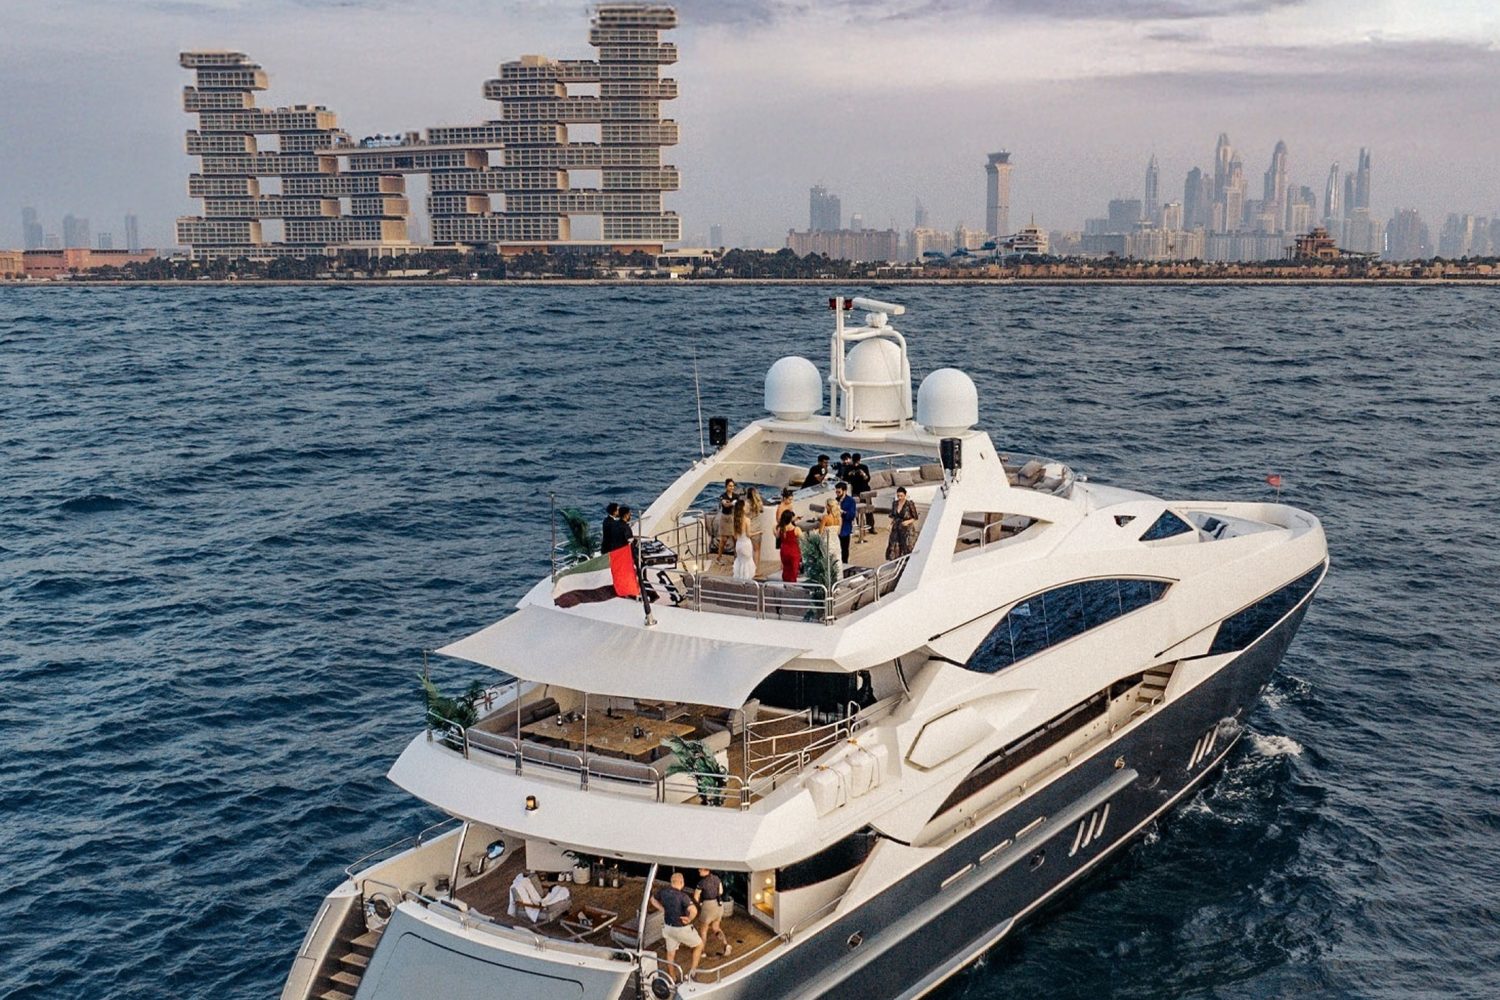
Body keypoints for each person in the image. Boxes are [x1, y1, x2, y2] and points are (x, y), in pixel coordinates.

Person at [650, 871, 703, 982]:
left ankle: (672, 977)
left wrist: (663, 909)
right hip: (681, 928)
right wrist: (689, 919)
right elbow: (693, 910)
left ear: (671, 882)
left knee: (670, 953)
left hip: (668, 928)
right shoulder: (683, 896)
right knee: (699, 945)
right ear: (682, 882)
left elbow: (653, 900)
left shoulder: (663, 892)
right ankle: (692, 973)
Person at [694, 868, 731, 957]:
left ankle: (702, 951)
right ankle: (726, 944)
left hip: (708, 906)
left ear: (706, 870)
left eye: (700, 869)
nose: (698, 870)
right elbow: (721, 892)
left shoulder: (701, 883)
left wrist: (700, 904)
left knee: (703, 930)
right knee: (716, 928)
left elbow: (695, 896)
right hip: (718, 905)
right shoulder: (716, 878)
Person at [886, 487, 918, 560]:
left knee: (907, 545)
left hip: (907, 528)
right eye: (898, 496)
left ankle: (907, 561)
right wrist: (890, 524)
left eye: (901, 496)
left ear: (905, 495)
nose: (900, 498)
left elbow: (915, 517)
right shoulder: (895, 503)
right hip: (896, 527)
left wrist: (908, 521)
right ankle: (897, 560)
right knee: (895, 544)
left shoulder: (909, 504)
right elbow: (893, 516)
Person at [846, 454, 874, 534]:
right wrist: (850, 474)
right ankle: (861, 527)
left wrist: (863, 474)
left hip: (865, 491)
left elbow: (867, 479)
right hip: (855, 491)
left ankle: (871, 527)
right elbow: (846, 478)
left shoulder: (864, 467)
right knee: (857, 510)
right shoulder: (849, 468)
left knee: (868, 509)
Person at [731, 499, 756, 580]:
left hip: (739, 544)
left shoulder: (735, 520)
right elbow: (749, 535)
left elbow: (734, 536)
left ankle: (740, 579)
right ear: (742, 508)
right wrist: (758, 532)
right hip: (746, 544)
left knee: (740, 562)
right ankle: (746, 580)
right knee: (747, 564)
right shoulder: (747, 520)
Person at [777, 508, 802, 582]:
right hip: (793, 551)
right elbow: (803, 539)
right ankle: (792, 584)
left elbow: (777, 536)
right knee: (793, 570)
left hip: (784, 551)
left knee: (786, 569)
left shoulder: (780, 529)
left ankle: (786, 584)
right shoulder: (796, 529)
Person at [716, 479, 738, 563]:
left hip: (733, 517)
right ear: (726, 486)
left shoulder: (736, 496)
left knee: (735, 538)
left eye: (733, 486)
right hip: (725, 518)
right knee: (724, 539)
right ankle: (719, 558)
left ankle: (736, 558)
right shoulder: (723, 496)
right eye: (730, 486)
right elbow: (725, 504)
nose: (732, 487)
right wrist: (732, 503)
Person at [836, 481, 858, 564]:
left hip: (845, 528)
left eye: (839, 492)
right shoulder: (836, 500)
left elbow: (852, 515)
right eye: (836, 492)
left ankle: (845, 563)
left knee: (844, 548)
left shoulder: (850, 501)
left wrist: (843, 512)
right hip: (837, 527)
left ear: (844, 491)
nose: (837, 494)